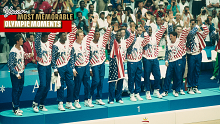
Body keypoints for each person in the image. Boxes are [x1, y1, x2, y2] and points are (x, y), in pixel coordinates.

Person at [72, 16, 98, 108]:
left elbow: (91, 33)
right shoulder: (73, 45)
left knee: (87, 84)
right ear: (77, 36)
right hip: (78, 67)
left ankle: (87, 100)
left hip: (86, 66)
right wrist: (73, 69)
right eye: (81, 35)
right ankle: (76, 101)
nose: (83, 36)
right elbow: (72, 58)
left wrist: (94, 23)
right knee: (77, 85)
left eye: (83, 34)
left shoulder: (86, 41)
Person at [142, 15, 169, 100]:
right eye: (148, 30)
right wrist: (148, 20)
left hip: (155, 59)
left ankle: (156, 91)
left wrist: (166, 22)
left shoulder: (156, 36)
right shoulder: (144, 37)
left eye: (150, 30)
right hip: (147, 59)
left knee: (158, 75)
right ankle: (147, 92)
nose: (149, 31)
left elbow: (162, 30)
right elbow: (146, 27)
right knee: (147, 76)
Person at [52, 25, 77, 111]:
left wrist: (73, 68)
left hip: (68, 65)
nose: (65, 36)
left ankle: (69, 103)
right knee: (61, 86)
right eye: (63, 35)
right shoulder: (56, 45)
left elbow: (72, 56)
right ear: (59, 36)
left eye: (66, 35)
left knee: (71, 84)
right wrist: (55, 69)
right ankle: (60, 103)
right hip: (60, 67)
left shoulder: (68, 43)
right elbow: (53, 58)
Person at [108, 25, 135, 104]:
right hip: (114, 64)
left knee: (120, 81)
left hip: (122, 64)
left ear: (122, 35)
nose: (118, 36)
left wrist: (133, 32)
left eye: (119, 35)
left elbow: (131, 39)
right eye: (117, 35)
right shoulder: (113, 42)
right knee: (112, 81)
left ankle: (119, 97)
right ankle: (111, 99)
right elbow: (112, 38)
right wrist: (113, 32)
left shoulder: (124, 42)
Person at [162, 20, 190, 97]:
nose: (169, 37)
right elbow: (167, 52)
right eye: (169, 36)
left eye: (171, 36)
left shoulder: (180, 41)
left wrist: (185, 26)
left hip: (178, 60)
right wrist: (170, 22)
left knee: (178, 76)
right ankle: (165, 91)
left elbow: (184, 34)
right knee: (168, 76)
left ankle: (176, 90)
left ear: (175, 36)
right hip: (171, 62)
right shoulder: (169, 41)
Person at [8, 34, 33, 116]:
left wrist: (29, 55)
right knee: (15, 90)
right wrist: (16, 73)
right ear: (17, 41)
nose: (23, 40)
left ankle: (16, 106)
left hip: (22, 72)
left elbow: (23, 55)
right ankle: (15, 108)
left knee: (20, 89)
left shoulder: (21, 48)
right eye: (21, 39)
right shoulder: (13, 51)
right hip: (16, 74)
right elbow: (10, 65)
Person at [89, 16, 111, 105]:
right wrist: (90, 68)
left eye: (98, 34)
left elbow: (107, 33)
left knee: (101, 82)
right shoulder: (90, 43)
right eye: (96, 34)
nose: (98, 36)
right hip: (94, 64)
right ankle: (89, 96)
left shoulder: (102, 40)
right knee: (96, 81)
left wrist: (109, 24)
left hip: (102, 63)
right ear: (93, 35)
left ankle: (99, 98)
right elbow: (88, 56)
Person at [32, 32, 56, 112]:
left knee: (47, 86)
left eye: (47, 37)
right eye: (45, 37)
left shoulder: (49, 42)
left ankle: (42, 104)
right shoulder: (38, 44)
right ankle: (35, 103)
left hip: (48, 66)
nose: (46, 39)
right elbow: (38, 36)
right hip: (41, 65)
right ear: (41, 37)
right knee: (43, 85)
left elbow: (54, 32)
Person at [127, 24, 150, 102]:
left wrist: (145, 32)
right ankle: (131, 94)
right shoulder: (129, 39)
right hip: (131, 62)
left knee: (138, 78)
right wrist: (133, 33)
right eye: (138, 30)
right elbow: (131, 41)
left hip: (139, 61)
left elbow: (147, 40)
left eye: (140, 30)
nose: (139, 31)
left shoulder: (140, 39)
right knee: (131, 78)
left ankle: (137, 93)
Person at [186, 19, 209, 94]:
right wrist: (196, 26)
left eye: (194, 24)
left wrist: (201, 24)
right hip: (191, 55)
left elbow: (207, 31)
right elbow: (192, 33)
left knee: (197, 71)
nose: (194, 26)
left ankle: (195, 86)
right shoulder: (189, 33)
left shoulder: (199, 34)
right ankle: (189, 87)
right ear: (190, 26)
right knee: (191, 71)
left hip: (198, 54)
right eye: (192, 24)